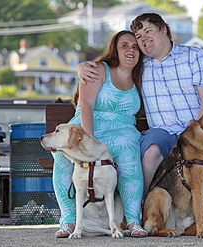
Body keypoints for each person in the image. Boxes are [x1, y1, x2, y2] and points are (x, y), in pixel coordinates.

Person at [78, 13, 203, 231]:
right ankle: (139, 214)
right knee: (151, 151)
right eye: (139, 36)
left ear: (164, 30)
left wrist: (194, 137)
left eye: (148, 31)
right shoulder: (139, 64)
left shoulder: (195, 56)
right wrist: (82, 67)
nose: (143, 39)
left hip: (196, 130)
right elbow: (111, 69)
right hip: (162, 131)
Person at [53, 30, 148, 238]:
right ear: (115, 48)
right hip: (88, 126)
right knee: (63, 155)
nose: (130, 50)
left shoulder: (140, 75)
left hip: (122, 130)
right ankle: (68, 220)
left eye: (135, 47)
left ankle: (133, 220)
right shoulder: (98, 69)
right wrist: (89, 141)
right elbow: (85, 104)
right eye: (125, 45)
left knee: (128, 151)